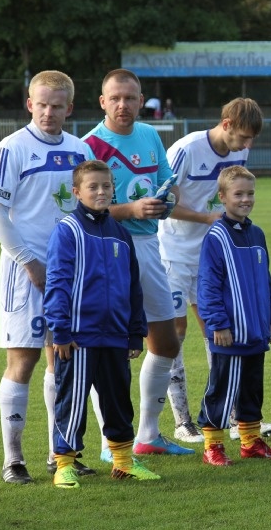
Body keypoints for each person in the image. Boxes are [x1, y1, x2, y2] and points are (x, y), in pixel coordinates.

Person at [82, 68, 194, 458]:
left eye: (130, 98)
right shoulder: (89, 146)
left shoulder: (149, 135)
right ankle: (110, 443)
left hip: (149, 246)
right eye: (115, 98)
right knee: (109, 348)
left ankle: (147, 435)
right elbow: (80, 212)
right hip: (107, 249)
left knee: (164, 341)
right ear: (102, 101)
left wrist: (167, 203)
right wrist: (130, 208)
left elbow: (170, 183)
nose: (123, 105)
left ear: (140, 99)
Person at [0, 70, 93, 484]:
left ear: (69, 108)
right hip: (23, 271)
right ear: (29, 104)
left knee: (62, 358)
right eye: (42, 104)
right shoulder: (11, 148)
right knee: (23, 359)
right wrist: (29, 261)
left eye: (57, 106)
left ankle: (59, 453)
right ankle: (13, 460)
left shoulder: (79, 149)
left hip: (70, 273)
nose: (49, 112)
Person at [159, 97, 271, 443]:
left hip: (217, 252)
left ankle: (232, 414)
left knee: (218, 329)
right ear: (226, 125)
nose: (247, 146)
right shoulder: (186, 150)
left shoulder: (239, 151)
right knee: (175, 332)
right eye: (243, 137)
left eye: (251, 139)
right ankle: (182, 420)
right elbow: (163, 204)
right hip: (176, 253)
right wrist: (206, 219)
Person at [45, 160, 160, 487]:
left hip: (115, 336)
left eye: (106, 186)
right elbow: (57, 284)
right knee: (72, 399)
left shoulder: (121, 234)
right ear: (77, 192)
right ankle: (65, 463)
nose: (100, 191)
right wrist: (61, 331)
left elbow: (133, 286)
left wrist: (135, 332)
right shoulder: (67, 230)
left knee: (118, 400)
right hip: (78, 338)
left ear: (113, 190)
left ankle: (123, 461)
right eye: (92, 187)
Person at [196, 166, 271, 465]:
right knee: (222, 389)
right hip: (229, 332)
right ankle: (213, 445)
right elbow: (207, 285)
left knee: (251, 390)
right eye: (238, 194)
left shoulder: (257, 233)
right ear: (222, 197)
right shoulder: (216, 237)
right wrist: (217, 323)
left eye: (250, 194)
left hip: (255, 330)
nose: (245, 199)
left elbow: (266, 280)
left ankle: (250, 441)